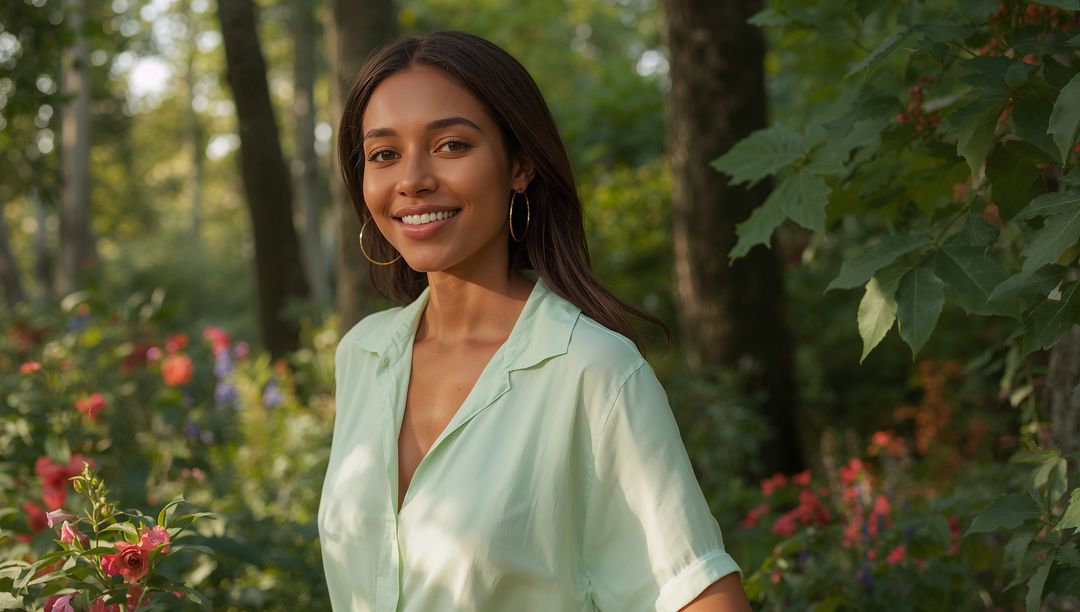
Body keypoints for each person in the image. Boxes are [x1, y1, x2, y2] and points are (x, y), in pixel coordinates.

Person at [318, 31, 751, 612]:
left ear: (520, 164)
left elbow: (703, 597)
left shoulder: (592, 370)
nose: (412, 179)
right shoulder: (363, 356)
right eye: (384, 154)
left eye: (450, 145)